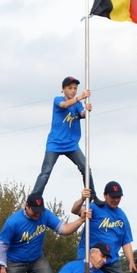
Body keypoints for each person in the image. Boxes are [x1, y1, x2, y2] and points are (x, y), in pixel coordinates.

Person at [32, 76, 102, 205]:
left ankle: (92, 195)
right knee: (45, 172)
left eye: (75, 88)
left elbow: (81, 114)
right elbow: (64, 105)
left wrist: (87, 110)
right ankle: (34, 198)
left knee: (85, 168)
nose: (73, 91)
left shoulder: (77, 104)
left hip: (71, 144)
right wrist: (80, 97)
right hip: (55, 143)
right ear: (63, 89)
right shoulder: (57, 100)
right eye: (70, 88)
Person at [0, 192, 90, 273]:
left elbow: (64, 229)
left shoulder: (45, 214)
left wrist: (81, 220)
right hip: (15, 262)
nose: (38, 214)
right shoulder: (13, 222)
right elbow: (2, 245)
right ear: (27, 206)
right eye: (35, 211)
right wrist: (2, 266)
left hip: (37, 259)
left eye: (40, 210)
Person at [71, 182, 135, 273]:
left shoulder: (122, 216)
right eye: (113, 197)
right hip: (89, 258)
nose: (116, 200)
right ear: (105, 195)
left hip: (111, 261)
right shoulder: (94, 208)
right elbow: (75, 210)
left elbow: (126, 241)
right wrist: (82, 199)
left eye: (118, 197)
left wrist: (131, 261)